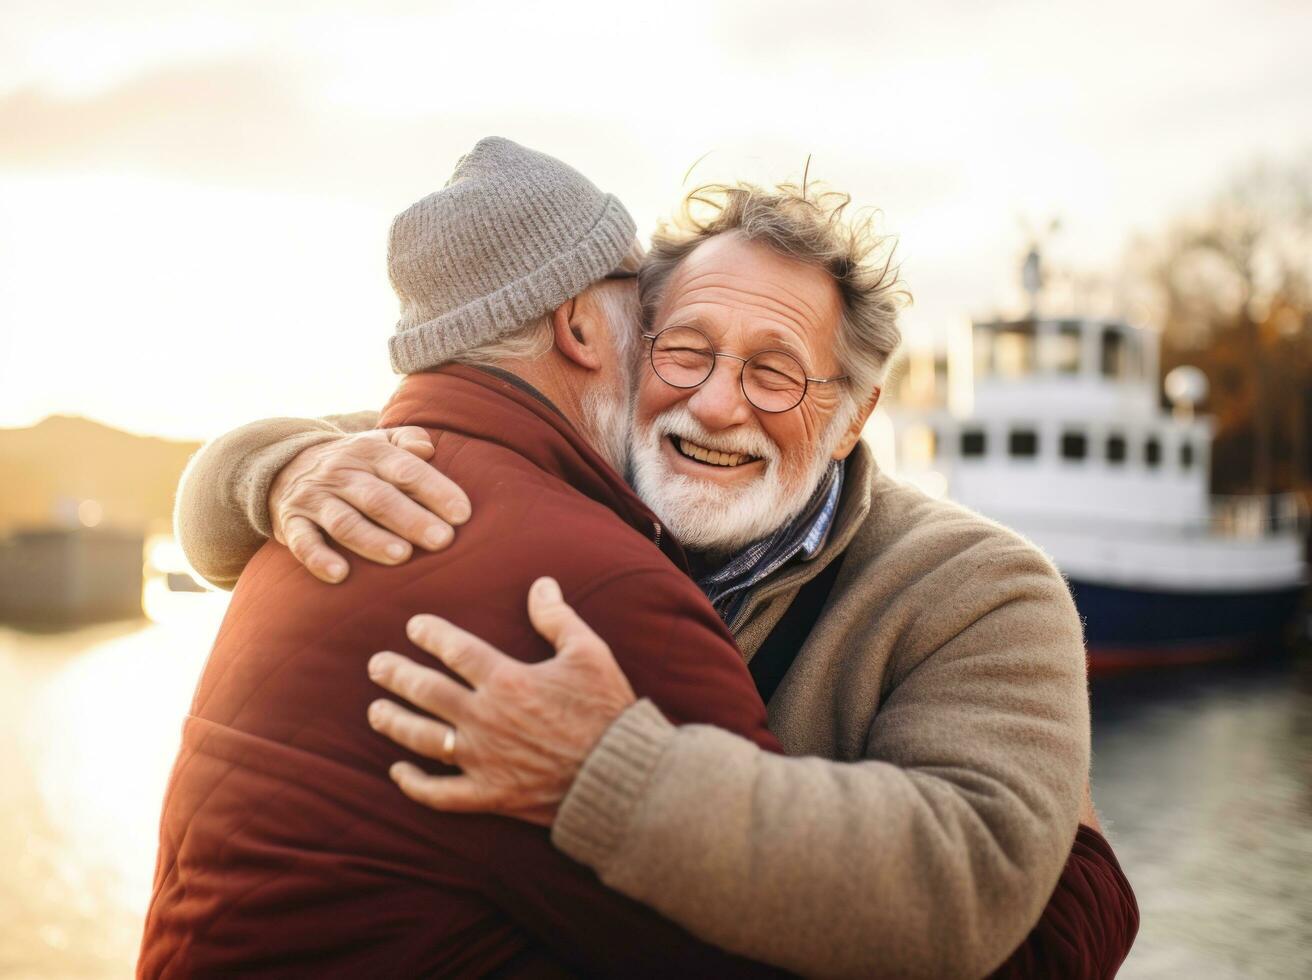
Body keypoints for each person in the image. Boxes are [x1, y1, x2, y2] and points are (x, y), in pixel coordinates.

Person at [175, 160, 1138, 976]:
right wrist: (280, 467)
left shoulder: (979, 590)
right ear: (626, 351)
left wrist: (613, 773)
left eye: (775, 373)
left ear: (853, 414)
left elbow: (968, 883)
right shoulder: (559, 478)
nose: (718, 405)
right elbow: (264, 487)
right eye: (685, 350)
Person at [140, 137, 793, 978]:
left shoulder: (314, 519)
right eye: (645, 297)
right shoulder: (602, 589)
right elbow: (783, 943)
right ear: (581, 326)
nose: (664, 332)